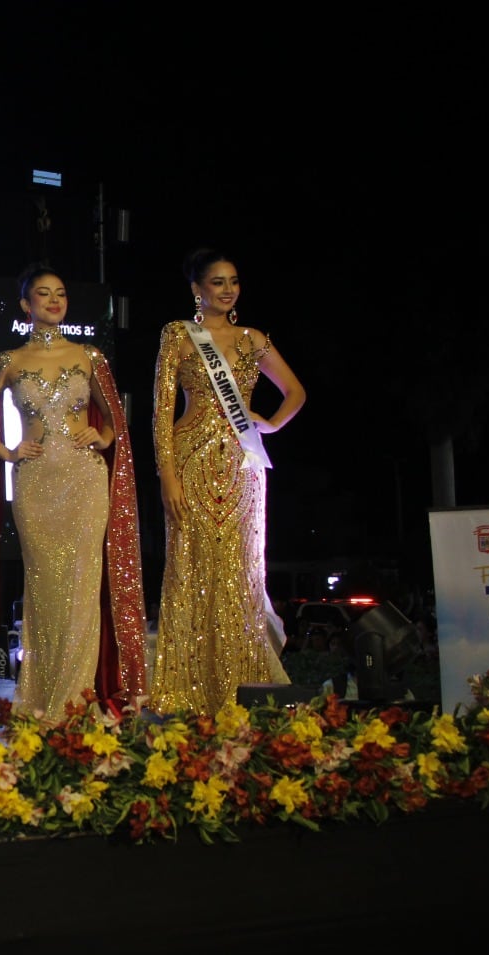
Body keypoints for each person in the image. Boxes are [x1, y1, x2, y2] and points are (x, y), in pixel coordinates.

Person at [0, 266, 147, 724]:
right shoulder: (10, 362)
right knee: (44, 588)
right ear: (26, 305)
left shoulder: (89, 356)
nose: (54, 300)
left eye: (60, 293)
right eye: (43, 294)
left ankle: (75, 699)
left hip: (85, 480)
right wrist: (9, 452)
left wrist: (103, 434)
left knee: (80, 587)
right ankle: (40, 696)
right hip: (36, 483)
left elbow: (117, 418)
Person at [150, 249, 305, 717]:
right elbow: (160, 414)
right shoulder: (178, 334)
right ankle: (190, 688)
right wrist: (167, 476)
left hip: (243, 467)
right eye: (217, 282)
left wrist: (270, 425)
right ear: (197, 288)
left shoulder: (253, 339)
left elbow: (295, 392)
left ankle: (243, 683)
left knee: (241, 574)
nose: (227, 289)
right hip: (191, 464)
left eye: (233, 281)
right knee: (192, 569)